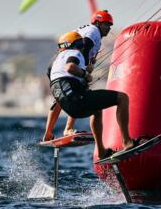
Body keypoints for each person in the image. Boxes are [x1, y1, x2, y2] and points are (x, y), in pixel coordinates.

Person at [48, 30, 136, 159]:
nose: (82, 47)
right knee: (122, 98)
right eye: (80, 44)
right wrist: (86, 75)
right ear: (75, 45)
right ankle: (127, 141)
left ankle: (101, 151)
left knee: (97, 108)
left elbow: (58, 89)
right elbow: (70, 67)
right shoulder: (75, 53)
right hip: (77, 101)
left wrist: (48, 133)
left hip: (67, 107)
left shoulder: (55, 64)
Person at [43, 10, 113, 141]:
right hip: (68, 65)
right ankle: (68, 129)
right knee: (78, 92)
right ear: (97, 23)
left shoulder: (90, 30)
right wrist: (85, 71)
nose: (109, 28)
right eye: (106, 24)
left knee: (59, 98)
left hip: (56, 66)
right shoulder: (93, 32)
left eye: (110, 26)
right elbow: (84, 48)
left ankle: (48, 134)